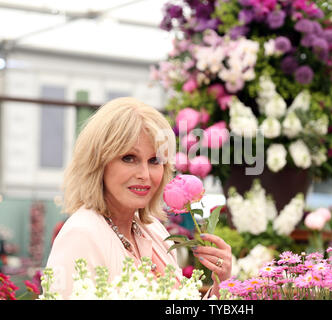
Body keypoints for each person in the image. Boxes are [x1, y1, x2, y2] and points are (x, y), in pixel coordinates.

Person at [45, 97, 232, 299]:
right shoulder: (81, 235)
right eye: (129, 158)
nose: (145, 174)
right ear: (98, 163)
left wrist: (219, 285)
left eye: (155, 160)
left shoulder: (155, 231)